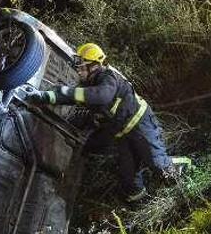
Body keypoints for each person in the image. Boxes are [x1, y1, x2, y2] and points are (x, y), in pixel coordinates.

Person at [30, 44, 179, 202]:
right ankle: (145, 203)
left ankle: (186, 167)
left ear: (94, 66)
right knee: (129, 180)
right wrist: (44, 96)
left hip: (140, 124)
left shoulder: (108, 76)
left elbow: (102, 96)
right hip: (122, 135)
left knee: (158, 165)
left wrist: (65, 91)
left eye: (82, 67)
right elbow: (71, 97)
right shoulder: (88, 85)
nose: (78, 71)